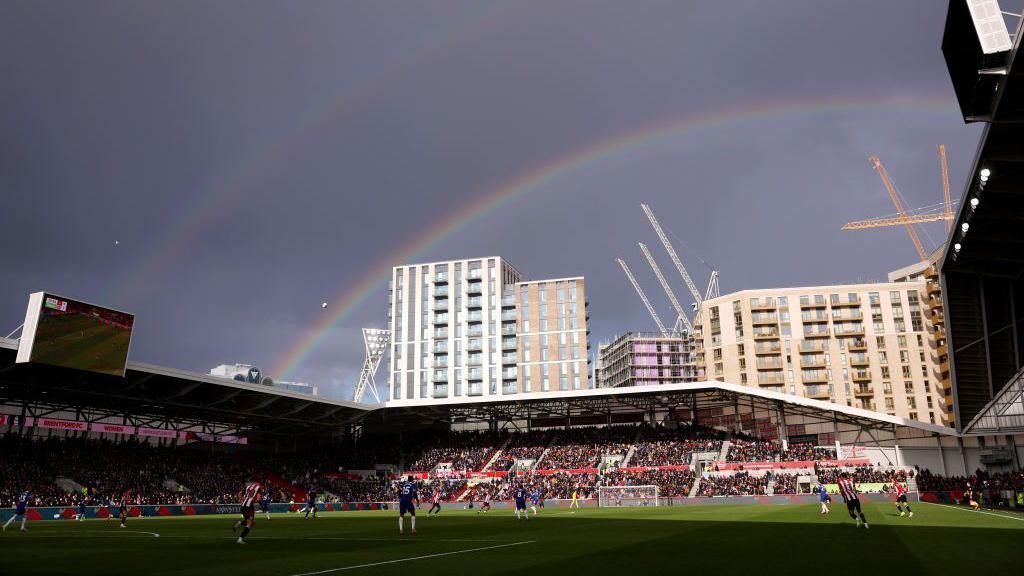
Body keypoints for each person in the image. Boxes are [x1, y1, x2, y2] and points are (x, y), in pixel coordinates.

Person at [233, 481, 262, 545]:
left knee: (252, 523)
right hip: (249, 507)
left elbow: (239, 493)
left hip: (244, 506)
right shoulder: (259, 488)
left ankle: (239, 522)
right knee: (250, 523)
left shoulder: (248, 487)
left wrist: (242, 501)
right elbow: (258, 498)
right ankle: (240, 539)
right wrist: (262, 505)